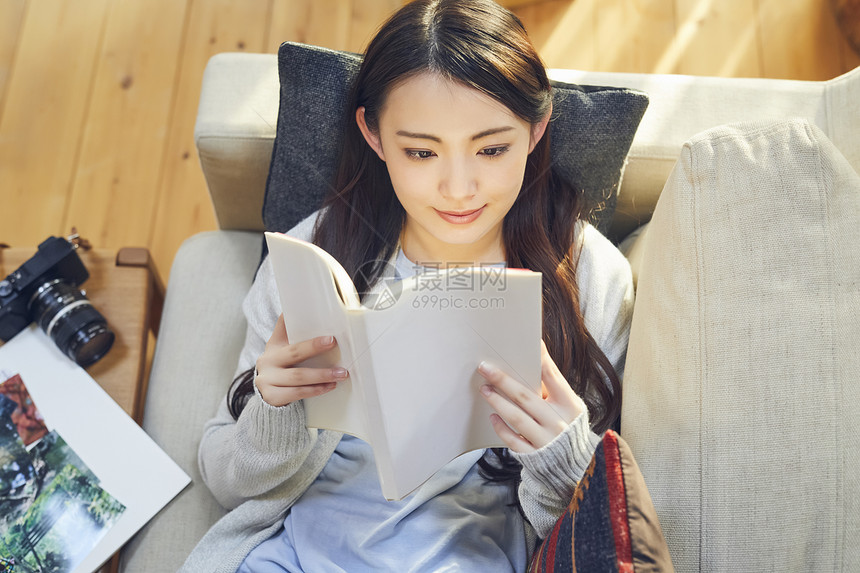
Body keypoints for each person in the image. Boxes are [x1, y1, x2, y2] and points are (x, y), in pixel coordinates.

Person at [181, 0, 633, 571]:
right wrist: (272, 409)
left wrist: (564, 458)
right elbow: (225, 479)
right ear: (373, 135)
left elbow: (589, 529)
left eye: (492, 149)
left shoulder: (587, 275)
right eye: (420, 152)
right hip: (293, 556)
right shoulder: (317, 251)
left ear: (537, 128)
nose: (459, 188)